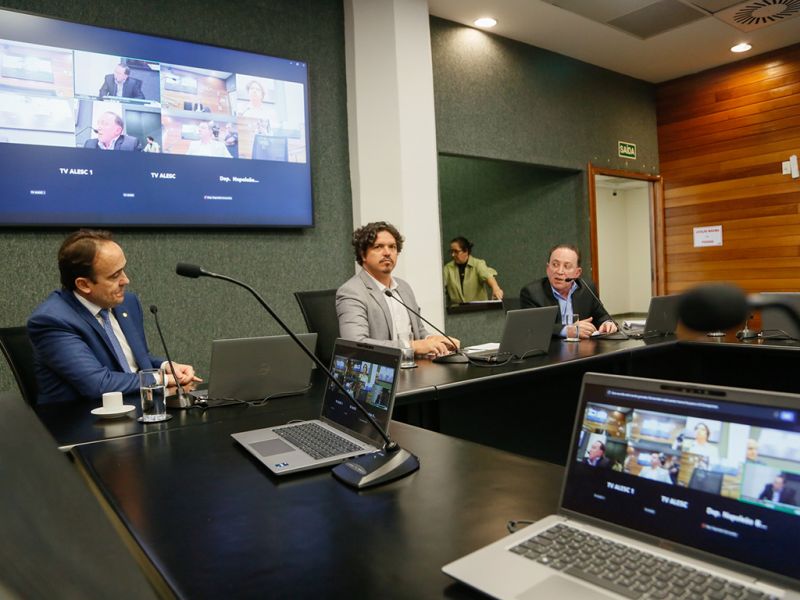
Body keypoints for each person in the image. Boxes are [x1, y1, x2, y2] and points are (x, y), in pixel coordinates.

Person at [27, 229, 200, 404]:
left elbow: (135, 358)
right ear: (84, 284)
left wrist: (166, 367)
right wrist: (161, 379)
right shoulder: (52, 321)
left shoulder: (126, 303)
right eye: (115, 275)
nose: (126, 280)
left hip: (138, 408)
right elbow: (98, 384)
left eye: (123, 270)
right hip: (81, 420)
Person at [336, 221, 459, 357]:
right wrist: (411, 346)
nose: (387, 253)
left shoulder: (403, 287)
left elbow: (418, 331)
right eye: (378, 247)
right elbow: (356, 345)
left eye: (392, 247)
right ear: (363, 254)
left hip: (413, 367)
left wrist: (433, 340)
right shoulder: (352, 292)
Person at [519, 244, 617, 338]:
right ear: (548, 268)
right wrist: (566, 331)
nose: (559, 271)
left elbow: (601, 316)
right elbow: (533, 327)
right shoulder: (532, 292)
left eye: (567, 266)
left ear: (577, 273)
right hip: (551, 352)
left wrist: (607, 323)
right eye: (555, 264)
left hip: (585, 350)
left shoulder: (587, 288)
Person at [443, 236, 503, 306]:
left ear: (466, 251)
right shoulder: (447, 268)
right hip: (456, 313)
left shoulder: (478, 264)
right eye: (451, 251)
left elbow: (487, 275)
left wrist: (496, 288)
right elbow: (440, 286)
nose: (453, 255)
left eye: (456, 251)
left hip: (478, 311)